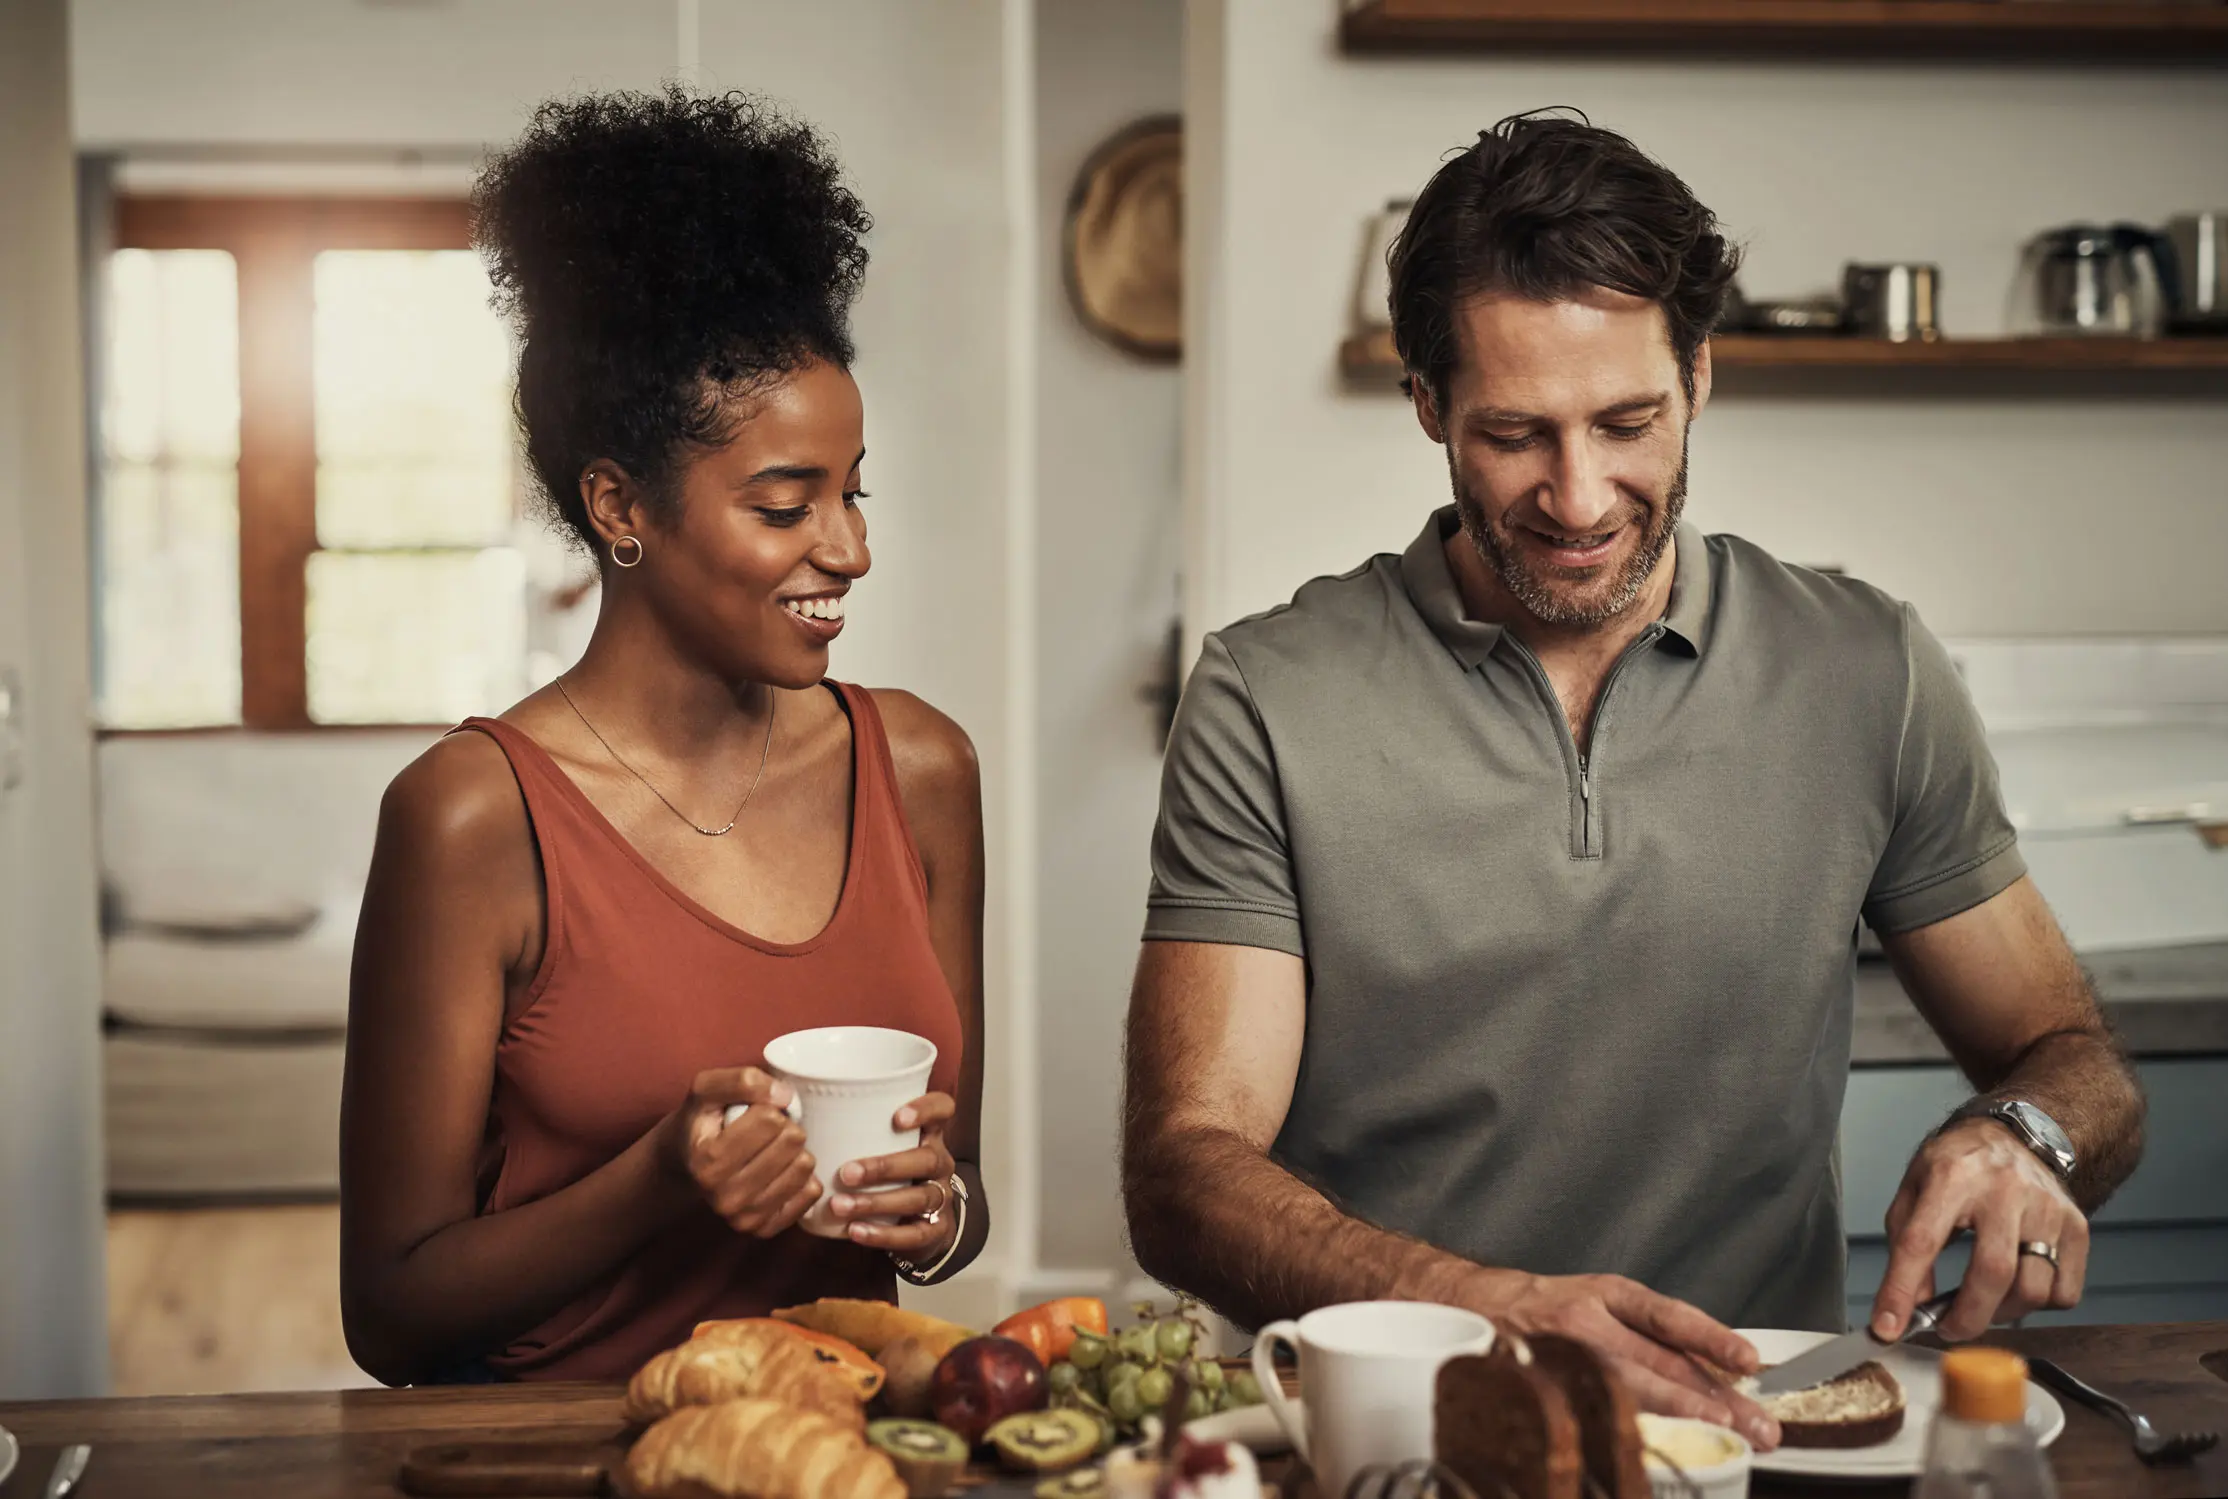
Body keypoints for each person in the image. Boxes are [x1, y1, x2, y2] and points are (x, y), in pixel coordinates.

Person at [1120, 112, 2144, 1451]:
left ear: (1700, 377)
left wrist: (2027, 1133)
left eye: (1628, 421)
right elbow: (1184, 1172)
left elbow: (2077, 1064)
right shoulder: (1268, 695)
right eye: (1514, 434)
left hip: (1763, 1435)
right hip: (1400, 1435)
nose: (1582, 494)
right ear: (1426, 402)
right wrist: (1483, 1309)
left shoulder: (1866, 669)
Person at [340, 89, 988, 1385]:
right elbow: (392, 1310)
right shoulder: (473, 816)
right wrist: (660, 1178)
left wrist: (944, 1212)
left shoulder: (921, 770)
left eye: (854, 493)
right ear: (619, 503)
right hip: (550, 1456)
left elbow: (957, 1198)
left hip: (837, 1444)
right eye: (785, 503)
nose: (851, 549)